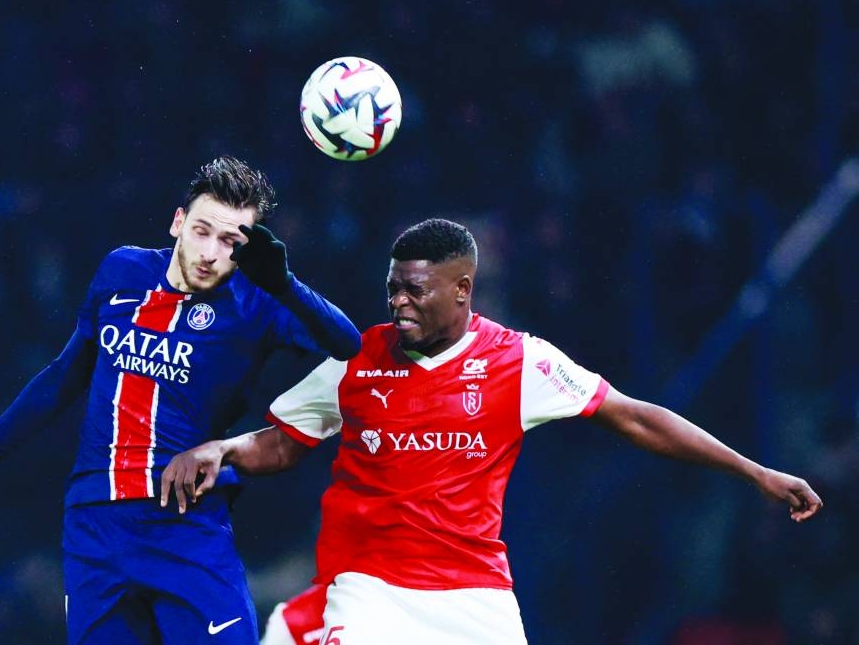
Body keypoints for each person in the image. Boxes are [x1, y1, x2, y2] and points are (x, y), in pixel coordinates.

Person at [162, 218, 823, 645]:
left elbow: (634, 415)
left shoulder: (521, 362)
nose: (398, 303)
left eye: (416, 291)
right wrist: (222, 447)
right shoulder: (356, 358)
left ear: (462, 290)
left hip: (475, 596)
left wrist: (753, 471)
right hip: (370, 590)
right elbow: (281, 441)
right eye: (393, 288)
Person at [0, 156, 362, 645]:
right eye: (202, 231)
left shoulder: (257, 304)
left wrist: (286, 285)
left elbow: (347, 344)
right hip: (96, 525)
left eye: (230, 242)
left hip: (184, 522)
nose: (210, 253)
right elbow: (65, 375)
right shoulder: (123, 269)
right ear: (178, 223)